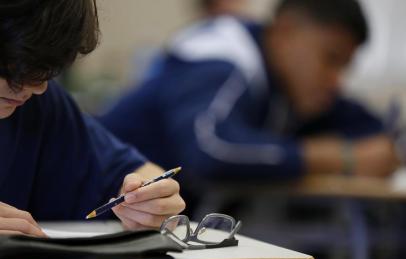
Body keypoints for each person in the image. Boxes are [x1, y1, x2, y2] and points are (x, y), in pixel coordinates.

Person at [100, 0, 398, 186]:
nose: (336, 80)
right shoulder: (220, 58)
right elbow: (211, 149)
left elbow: (364, 127)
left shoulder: (284, 80)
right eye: (330, 59)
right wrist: (338, 157)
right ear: (286, 32)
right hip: (94, 211)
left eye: (344, 67)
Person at [0, 0, 185, 237]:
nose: (38, 88)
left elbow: (135, 172)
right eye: (15, 69)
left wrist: (150, 203)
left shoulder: (39, 107)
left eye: (47, 72)